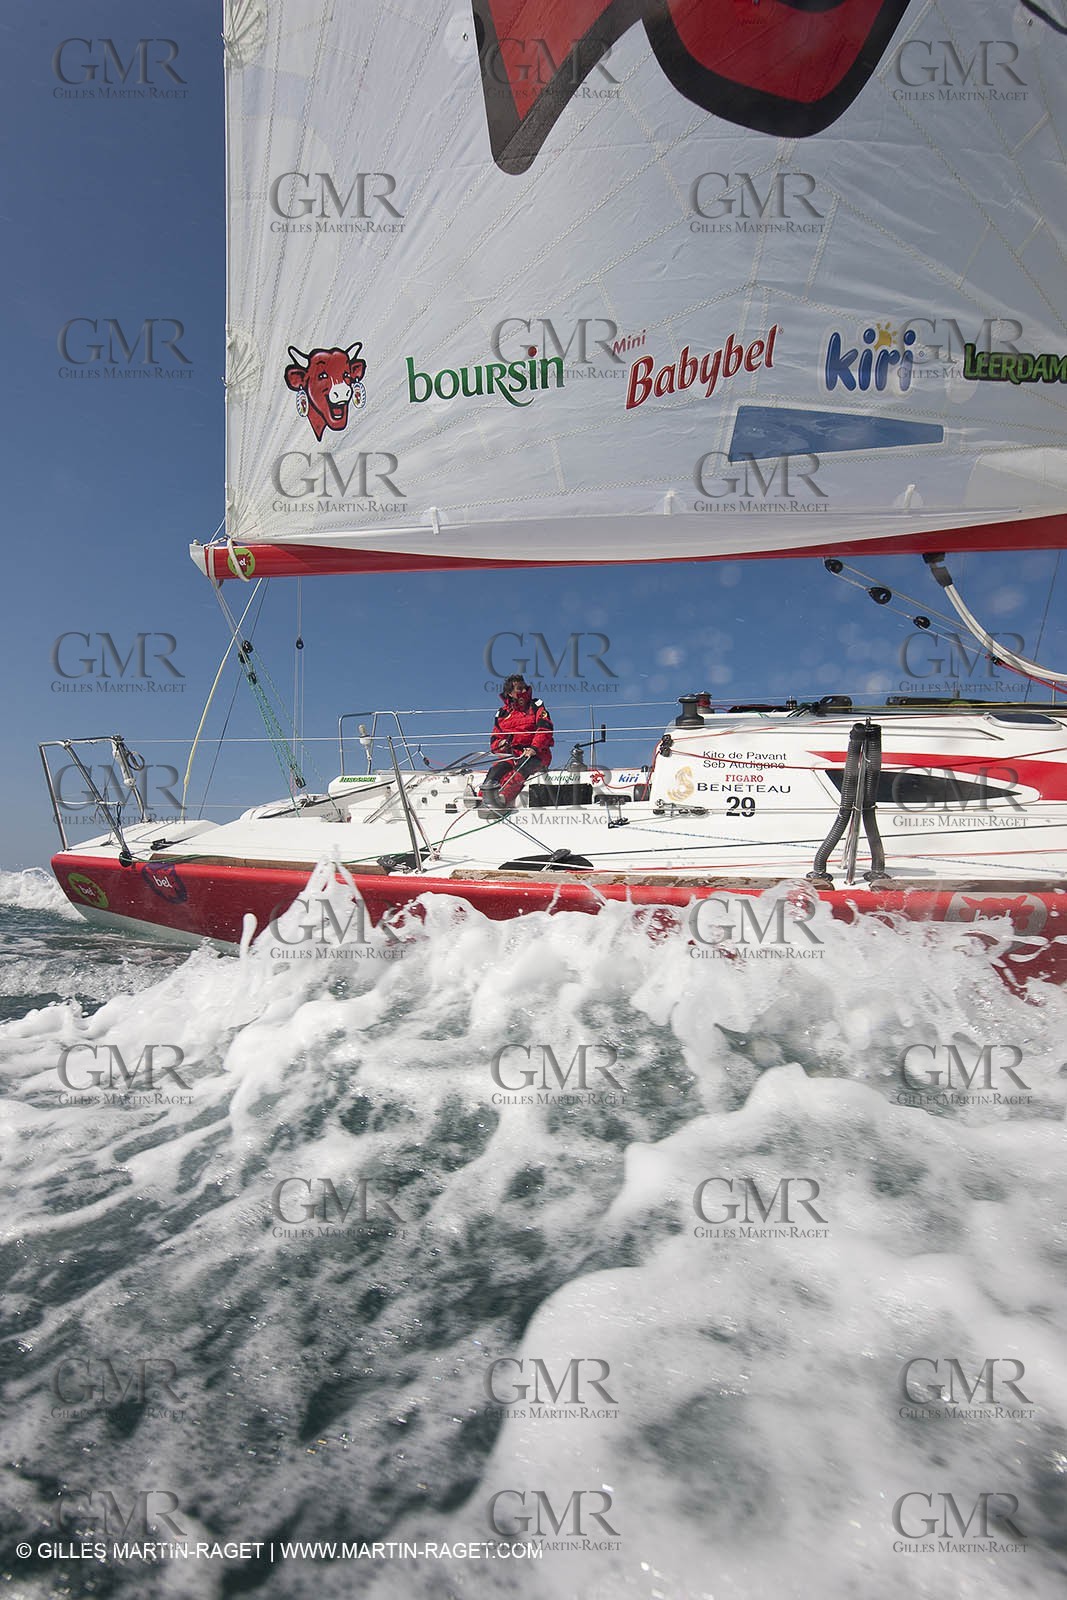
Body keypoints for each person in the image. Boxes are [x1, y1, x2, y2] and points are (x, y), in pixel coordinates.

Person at [481, 674, 554, 808]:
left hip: (537, 754)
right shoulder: (502, 713)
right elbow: (495, 739)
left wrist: (534, 748)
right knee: (496, 770)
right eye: (519, 689)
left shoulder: (536, 706)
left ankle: (502, 798)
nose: (524, 691)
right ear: (510, 693)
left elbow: (545, 728)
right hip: (511, 754)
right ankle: (481, 798)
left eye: (524, 687)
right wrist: (500, 744)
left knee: (522, 768)